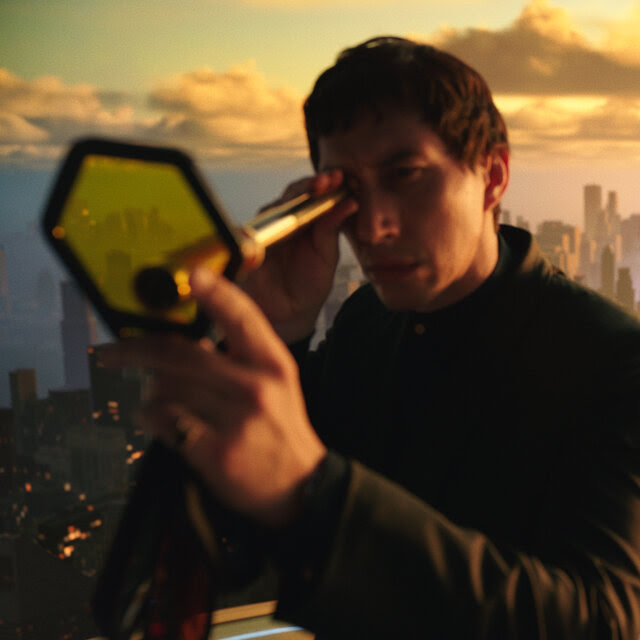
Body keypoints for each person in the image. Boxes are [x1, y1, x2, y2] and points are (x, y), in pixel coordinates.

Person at [102, 37, 640, 638]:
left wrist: (314, 492)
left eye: (405, 176)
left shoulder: (615, 360)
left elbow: (603, 620)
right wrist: (280, 331)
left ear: (492, 176)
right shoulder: (364, 323)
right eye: (349, 192)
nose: (375, 225)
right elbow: (243, 546)